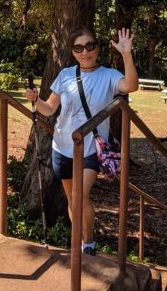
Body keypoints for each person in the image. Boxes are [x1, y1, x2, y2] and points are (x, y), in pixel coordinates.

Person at [25, 26, 138, 256]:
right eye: (78, 48)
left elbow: (131, 86)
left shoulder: (108, 75)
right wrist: (36, 100)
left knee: (79, 195)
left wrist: (126, 54)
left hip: (89, 149)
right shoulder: (65, 75)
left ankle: (87, 245)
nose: (85, 52)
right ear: (73, 51)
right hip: (62, 146)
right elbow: (49, 109)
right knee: (72, 199)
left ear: (97, 47)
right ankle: (82, 242)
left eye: (89, 46)